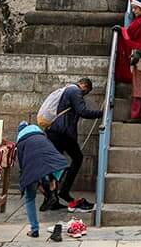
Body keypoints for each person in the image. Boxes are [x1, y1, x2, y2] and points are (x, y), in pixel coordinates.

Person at [45, 78, 103, 212]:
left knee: (56, 163)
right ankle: (63, 191)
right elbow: (83, 111)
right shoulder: (75, 91)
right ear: (84, 86)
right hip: (63, 133)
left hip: (54, 131)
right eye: (86, 92)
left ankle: (51, 197)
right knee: (77, 158)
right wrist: (102, 113)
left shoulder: (67, 90)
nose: (84, 95)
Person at [16, 121, 69, 239]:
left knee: (30, 197)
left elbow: (22, 167)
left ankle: (34, 229)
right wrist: (52, 177)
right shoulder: (42, 136)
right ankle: (52, 183)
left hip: (31, 168)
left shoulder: (21, 143)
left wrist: (25, 182)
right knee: (55, 165)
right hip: (50, 165)